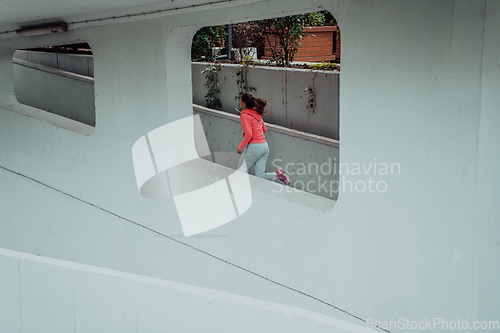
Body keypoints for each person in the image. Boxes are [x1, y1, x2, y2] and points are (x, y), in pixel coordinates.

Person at [237, 92, 290, 185]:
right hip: (264, 147)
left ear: (244, 103)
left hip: (254, 147)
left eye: (240, 100)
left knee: (240, 171)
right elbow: (264, 129)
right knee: (259, 175)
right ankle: (277, 175)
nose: (239, 102)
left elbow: (249, 134)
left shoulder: (244, 116)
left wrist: (240, 147)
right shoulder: (257, 114)